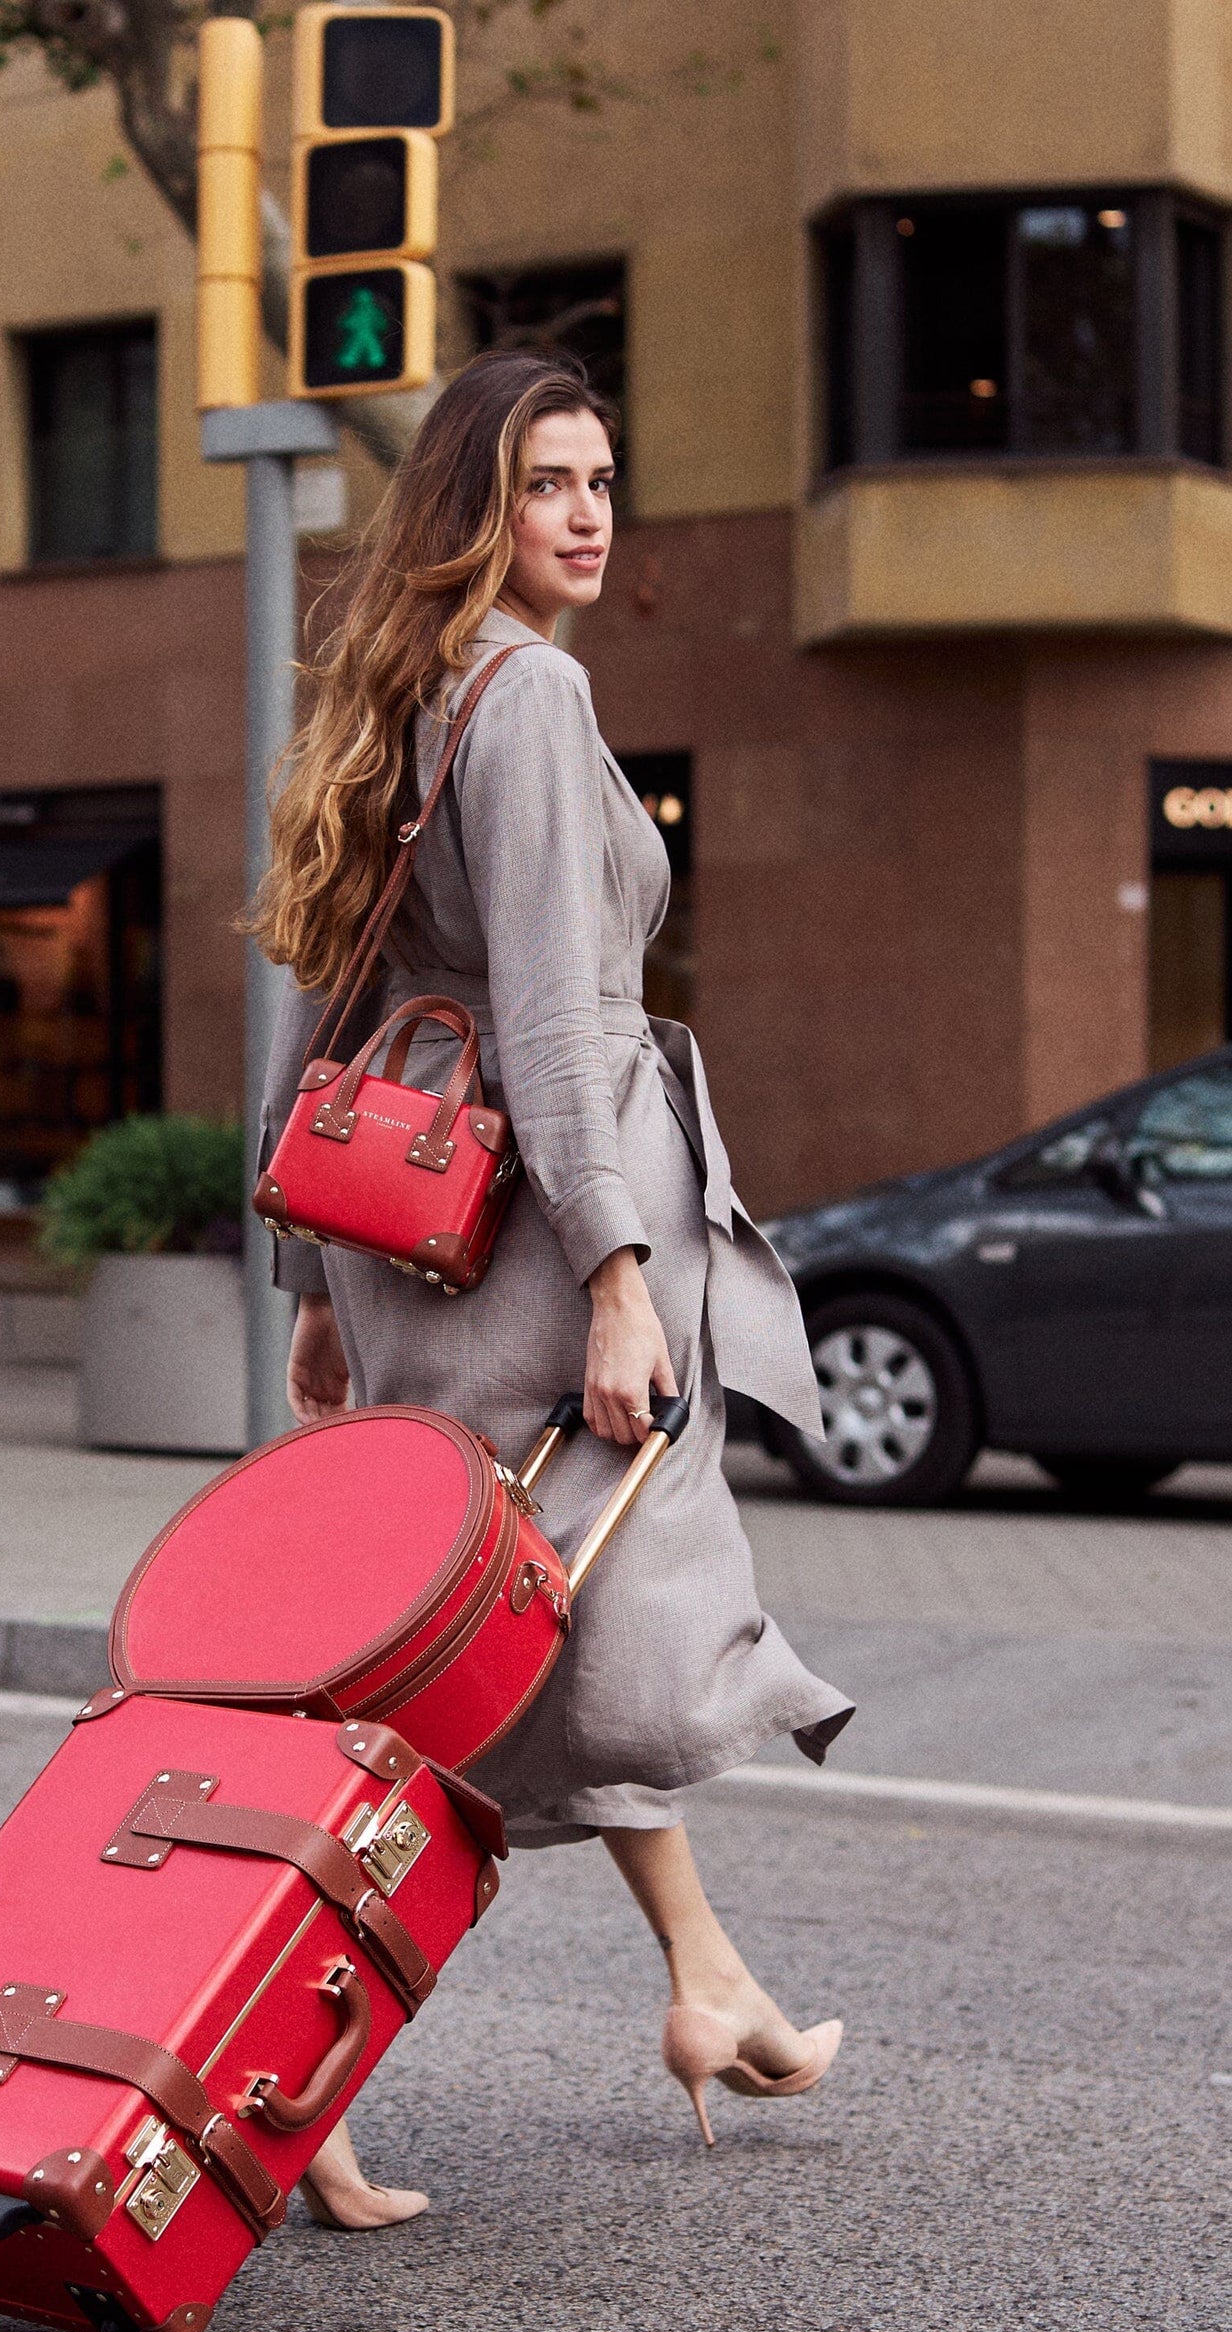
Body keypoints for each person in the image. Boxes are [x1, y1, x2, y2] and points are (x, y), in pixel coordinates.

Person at [253, 352, 853, 2229]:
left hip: (427, 1245)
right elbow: (554, 1015)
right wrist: (614, 1279)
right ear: (475, 509)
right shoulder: (530, 694)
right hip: (541, 1242)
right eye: (546, 486)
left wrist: (314, 1275)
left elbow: (318, 1013)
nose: (588, 516)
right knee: (470, 1675)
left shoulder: (406, 697)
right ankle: (291, 2059)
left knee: (541, 1634)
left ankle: (706, 1980)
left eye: (602, 480)